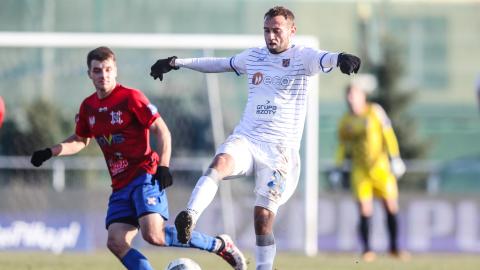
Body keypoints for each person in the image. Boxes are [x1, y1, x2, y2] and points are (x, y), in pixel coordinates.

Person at [150, 6, 361, 270]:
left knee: (262, 218)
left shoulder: (302, 57)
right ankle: (190, 215)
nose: (271, 37)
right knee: (219, 163)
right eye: (266, 31)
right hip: (248, 138)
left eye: (276, 31)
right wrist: (176, 63)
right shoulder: (254, 57)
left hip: (280, 153)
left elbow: (324, 58)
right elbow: (218, 64)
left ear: (291, 31)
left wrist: (340, 57)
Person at [30, 47, 246, 270]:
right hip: (120, 184)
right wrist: (50, 152)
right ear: (89, 74)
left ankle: (220, 245)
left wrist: (163, 166)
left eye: (107, 69)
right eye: (97, 71)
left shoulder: (130, 98)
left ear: (115, 71)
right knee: (116, 242)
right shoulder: (89, 107)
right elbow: (80, 139)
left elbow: (162, 131)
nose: (103, 75)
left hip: (145, 175)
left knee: (154, 235)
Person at [330, 80, 408, 262]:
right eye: (348, 96)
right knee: (365, 209)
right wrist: (337, 166)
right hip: (360, 170)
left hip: (381, 168)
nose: (350, 99)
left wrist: (395, 157)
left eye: (354, 95)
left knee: (390, 206)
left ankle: (395, 248)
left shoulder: (375, 111)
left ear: (362, 96)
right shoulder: (346, 121)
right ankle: (367, 250)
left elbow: (388, 134)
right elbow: (342, 146)